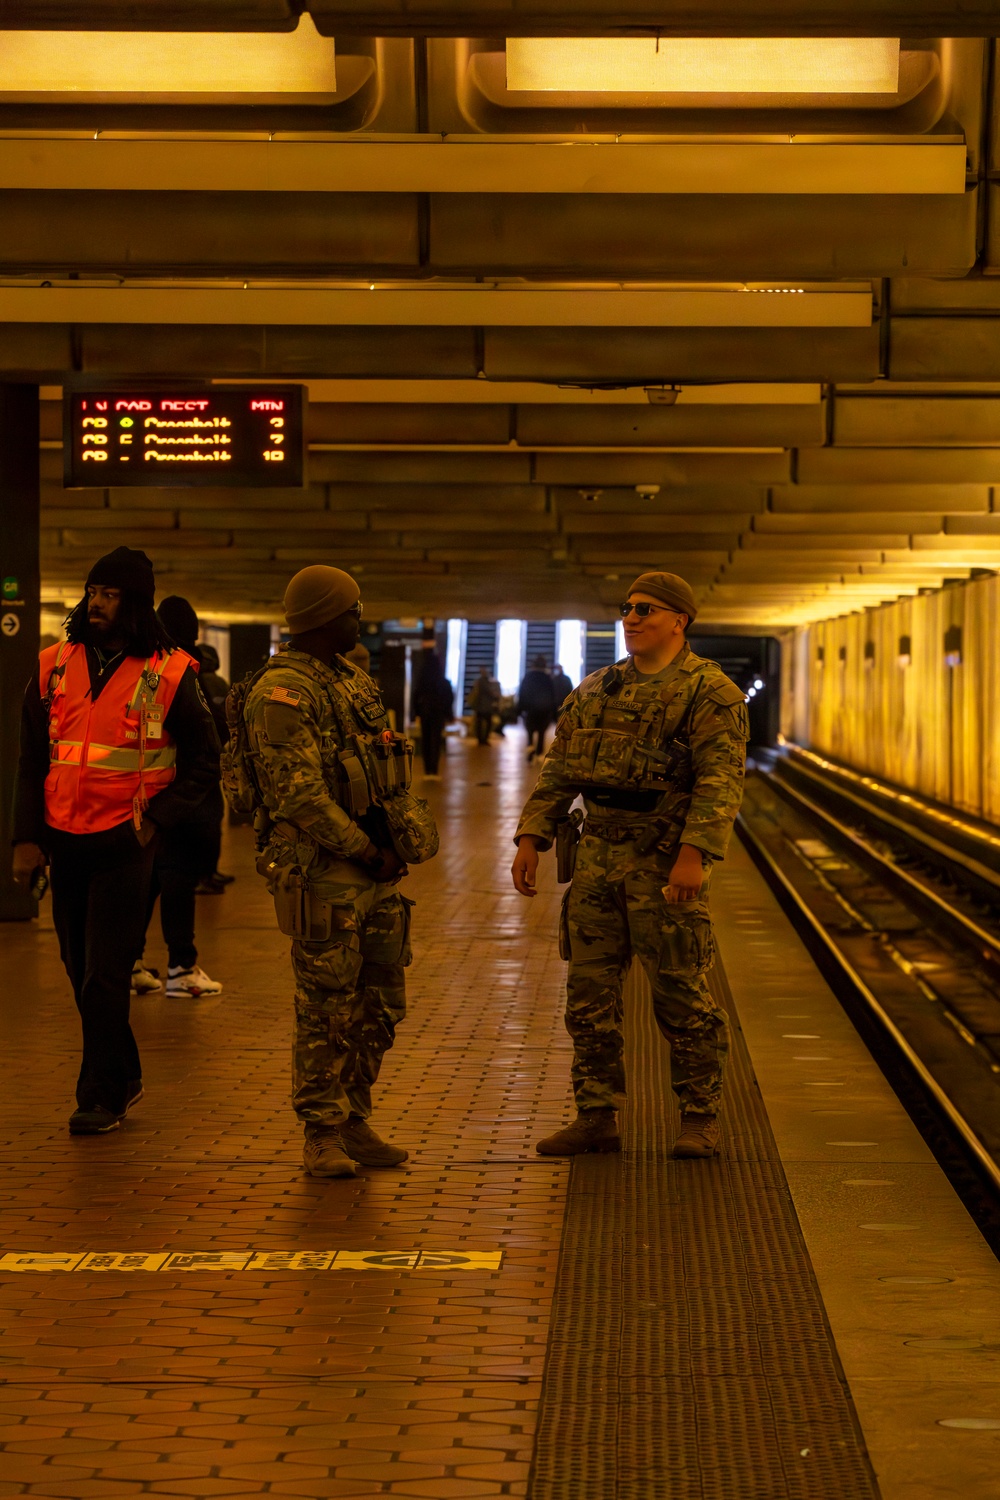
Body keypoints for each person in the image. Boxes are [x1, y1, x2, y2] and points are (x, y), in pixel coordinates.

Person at [510, 571, 748, 1161]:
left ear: (679, 621)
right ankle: (596, 1116)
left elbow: (721, 782)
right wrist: (531, 837)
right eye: (628, 608)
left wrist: (694, 856)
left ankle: (699, 1117)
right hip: (596, 862)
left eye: (647, 609)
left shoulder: (708, 692)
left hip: (663, 862)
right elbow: (559, 768)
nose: (633, 617)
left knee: (680, 995)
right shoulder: (597, 689)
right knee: (588, 995)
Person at [235, 565, 439, 1179]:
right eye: (353, 609)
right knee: (326, 1006)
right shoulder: (283, 692)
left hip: (372, 869)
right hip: (324, 870)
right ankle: (321, 1131)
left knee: (380, 1002)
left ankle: (355, 1117)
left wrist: (392, 840)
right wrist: (365, 849)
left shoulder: (348, 680)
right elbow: (297, 795)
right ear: (326, 617)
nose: (360, 618)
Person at [11, 547, 221, 1135]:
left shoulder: (172, 671)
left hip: (127, 842)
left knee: (106, 972)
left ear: (136, 603)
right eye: (93, 591)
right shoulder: (53, 664)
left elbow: (205, 761)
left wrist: (159, 819)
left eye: (110, 594)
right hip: (64, 839)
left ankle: (98, 1095)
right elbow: (33, 758)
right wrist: (25, 840)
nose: (97, 603)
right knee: (78, 968)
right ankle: (124, 1072)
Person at [131, 595, 224, 999]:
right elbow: (207, 748)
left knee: (145, 885)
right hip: (185, 806)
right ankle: (181, 968)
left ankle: (132, 965)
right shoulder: (189, 675)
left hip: (146, 801)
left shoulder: (144, 674)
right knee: (177, 885)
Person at [192, 641, 235, 895]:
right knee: (210, 819)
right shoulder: (213, 683)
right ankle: (206, 874)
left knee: (209, 820)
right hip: (212, 759)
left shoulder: (201, 681)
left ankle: (206, 873)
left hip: (206, 759)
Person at [412, 650, 454, 779]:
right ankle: (434, 770)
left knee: (426, 740)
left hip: (425, 713)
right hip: (438, 714)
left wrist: (417, 712)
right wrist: (448, 714)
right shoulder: (443, 682)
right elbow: (449, 698)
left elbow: (415, 697)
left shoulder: (422, 682)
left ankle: (427, 770)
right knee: (436, 740)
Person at [518, 654, 557, 762]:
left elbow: (522, 693)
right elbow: (552, 696)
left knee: (530, 731)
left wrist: (519, 709)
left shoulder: (528, 677)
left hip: (530, 710)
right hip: (544, 710)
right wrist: (554, 713)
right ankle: (539, 753)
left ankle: (530, 748)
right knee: (541, 732)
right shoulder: (548, 678)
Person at [469, 666, 501, 746]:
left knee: (480, 723)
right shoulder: (486, 682)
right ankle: (484, 739)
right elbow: (490, 692)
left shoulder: (479, 682)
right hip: (486, 706)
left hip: (480, 706)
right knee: (487, 722)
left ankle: (481, 739)